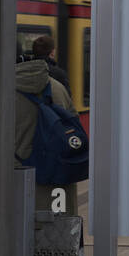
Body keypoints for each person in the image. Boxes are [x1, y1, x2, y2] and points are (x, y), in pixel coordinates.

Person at [16, 47, 78, 215]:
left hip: (20, 184)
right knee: (59, 234)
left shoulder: (1, 92)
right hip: (59, 182)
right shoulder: (58, 87)